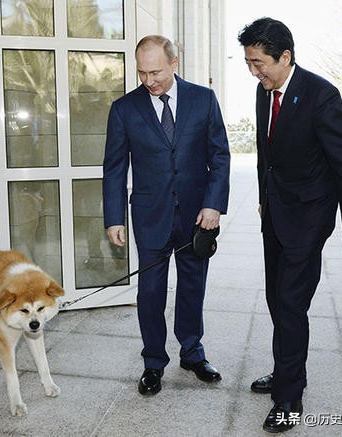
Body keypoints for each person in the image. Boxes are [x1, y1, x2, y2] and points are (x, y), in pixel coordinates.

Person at [237, 18, 342, 433]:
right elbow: (266, 154)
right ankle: (286, 371)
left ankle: (289, 398)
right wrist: (262, 199)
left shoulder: (320, 94)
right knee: (278, 300)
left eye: (259, 63)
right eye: (248, 63)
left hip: (308, 217)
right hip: (276, 213)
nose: (254, 71)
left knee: (291, 304)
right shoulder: (265, 93)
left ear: (285, 56)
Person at [102, 35, 230, 395]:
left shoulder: (203, 99)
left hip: (195, 215)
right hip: (150, 215)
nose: (149, 80)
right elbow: (114, 167)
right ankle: (153, 362)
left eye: (155, 71)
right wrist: (114, 217)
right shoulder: (124, 109)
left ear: (175, 63)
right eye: (142, 73)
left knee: (193, 286)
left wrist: (214, 203)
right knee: (151, 291)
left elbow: (219, 156)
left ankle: (192, 352)